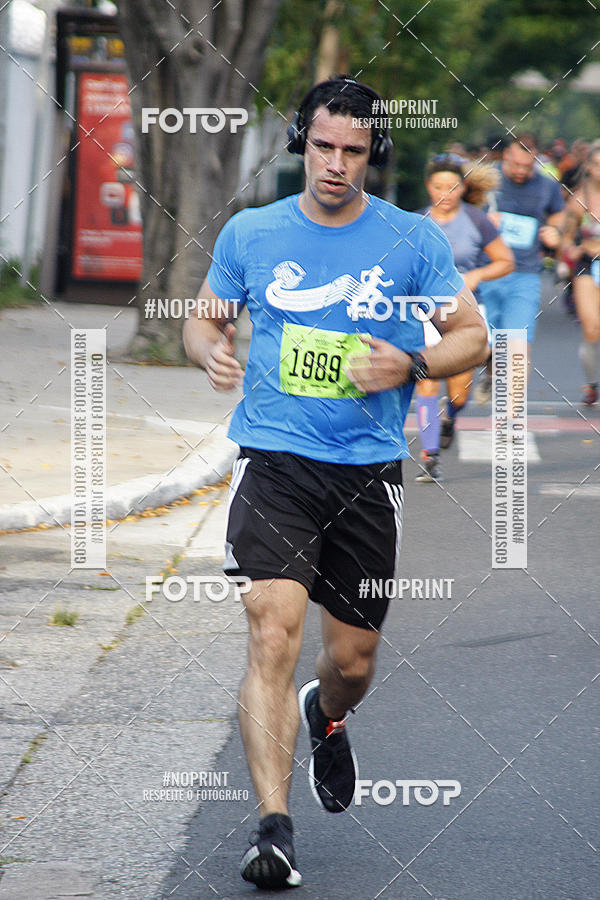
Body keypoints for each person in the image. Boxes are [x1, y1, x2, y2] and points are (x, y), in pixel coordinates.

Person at [183, 76, 488, 891]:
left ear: (372, 155)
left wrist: (414, 361)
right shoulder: (253, 232)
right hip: (275, 461)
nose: (336, 164)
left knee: (351, 659)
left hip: (365, 472)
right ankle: (274, 829)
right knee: (271, 628)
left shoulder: (412, 240)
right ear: (301, 143)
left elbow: (473, 336)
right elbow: (205, 313)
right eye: (324, 146)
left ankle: (327, 712)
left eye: (354, 151)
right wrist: (207, 346)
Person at [414, 157, 514, 482]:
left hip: (465, 310)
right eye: (439, 186)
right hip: (423, 311)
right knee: (425, 375)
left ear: (463, 188)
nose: (446, 193)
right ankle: (430, 456)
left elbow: (505, 261)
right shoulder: (414, 221)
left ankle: (449, 417)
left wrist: (476, 276)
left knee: (459, 393)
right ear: (428, 187)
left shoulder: (477, 220)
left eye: (452, 187)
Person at [474, 134, 564, 403]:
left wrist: (554, 231)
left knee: (517, 346)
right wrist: (483, 217)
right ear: (506, 157)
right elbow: (461, 209)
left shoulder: (547, 186)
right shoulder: (487, 179)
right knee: (484, 345)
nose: (523, 171)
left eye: (529, 166)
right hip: (486, 271)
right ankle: (491, 373)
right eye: (517, 165)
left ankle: (511, 420)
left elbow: (558, 214)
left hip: (525, 274)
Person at [560, 141, 600, 405]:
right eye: (597, 165)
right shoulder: (579, 200)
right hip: (588, 264)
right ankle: (592, 384)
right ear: (589, 167)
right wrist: (570, 251)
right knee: (592, 327)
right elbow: (565, 238)